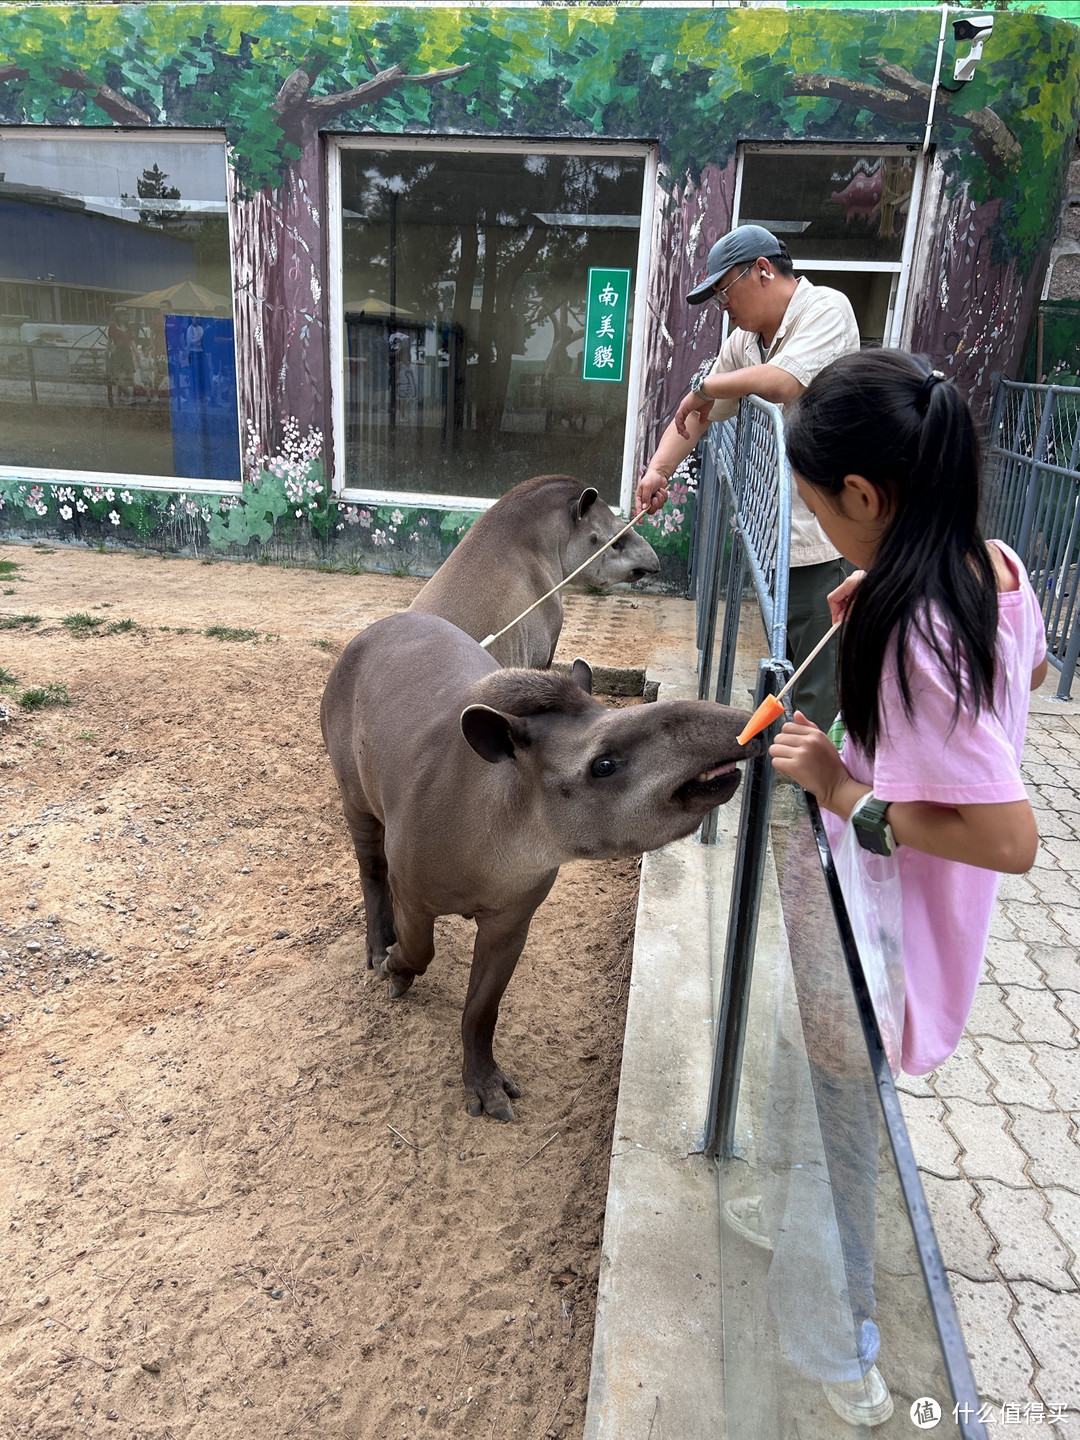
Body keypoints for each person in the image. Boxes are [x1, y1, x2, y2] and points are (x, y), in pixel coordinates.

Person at [759, 349, 1045, 1425]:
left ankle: (846, 1347)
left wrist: (845, 791)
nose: (822, 528)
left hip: (887, 929)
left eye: (822, 510)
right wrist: (882, 588)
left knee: (846, 1128)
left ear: (867, 496)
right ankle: (819, 1269)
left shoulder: (923, 626)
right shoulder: (999, 570)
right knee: (833, 1110)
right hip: (899, 915)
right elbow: (1026, 678)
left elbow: (1012, 837)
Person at [635, 224, 860, 730]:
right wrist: (657, 471)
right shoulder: (745, 343)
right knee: (795, 664)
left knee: (820, 676)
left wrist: (706, 384)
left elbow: (784, 382)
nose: (722, 305)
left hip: (829, 538)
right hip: (786, 530)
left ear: (762, 271)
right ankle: (799, 771)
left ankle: (815, 797)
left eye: (724, 291)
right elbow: (696, 411)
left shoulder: (825, 309)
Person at [106, 307, 135, 404]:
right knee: (119, 377)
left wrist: (136, 352)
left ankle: (119, 397)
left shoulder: (129, 327)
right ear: (118, 316)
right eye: (123, 314)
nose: (125, 317)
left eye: (126, 315)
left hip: (127, 353)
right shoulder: (113, 326)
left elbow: (131, 341)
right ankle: (128, 395)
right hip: (117, 353)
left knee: (125, 377)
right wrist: (108, 351)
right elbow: (109, 340)